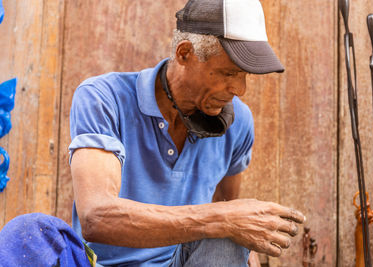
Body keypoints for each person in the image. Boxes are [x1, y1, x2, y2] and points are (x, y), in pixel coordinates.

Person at [67, 0, 305, 266]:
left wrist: (239, 235)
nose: (240, 89)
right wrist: (223, 218)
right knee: (31, 229)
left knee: (229, 236)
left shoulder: (239, 121)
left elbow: (226, 204)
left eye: (245, 75)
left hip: (180, 261)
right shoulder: (103, 98)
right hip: (100, 264)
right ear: (184, 53)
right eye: (229, 73)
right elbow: (96, 217)